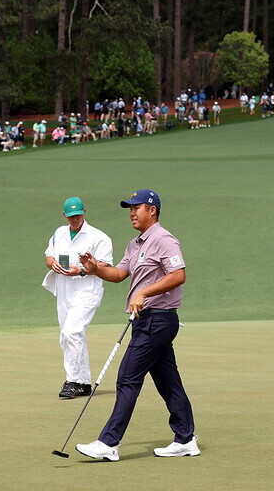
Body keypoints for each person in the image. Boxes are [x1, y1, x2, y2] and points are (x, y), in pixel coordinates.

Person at [75, 189, 198, 462]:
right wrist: (95, 268)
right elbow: (119, 274)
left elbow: (178, 275)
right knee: (168, 382)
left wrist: (145, 292)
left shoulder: (164, 240)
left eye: (136, 207)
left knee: (128, 377)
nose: (131, 212)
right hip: (146, 323)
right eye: (129, 208)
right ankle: (186, 438)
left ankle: (109, 443)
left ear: (152, 210)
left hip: (159, 319)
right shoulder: (135, 244)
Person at [42, 197, 114, 399]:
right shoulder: (59, 234)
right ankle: (82, 383)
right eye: (71, 216)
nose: (75, 219)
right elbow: (49, 256)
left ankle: (73, 381)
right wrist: (53, 264)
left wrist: (81, 271)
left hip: (86, 290)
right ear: (64, 215)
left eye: (78, 215)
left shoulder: (98, 237)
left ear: (84, 212)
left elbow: (107, 266)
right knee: (67, 336)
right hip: (64, 289)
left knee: (72, 331)